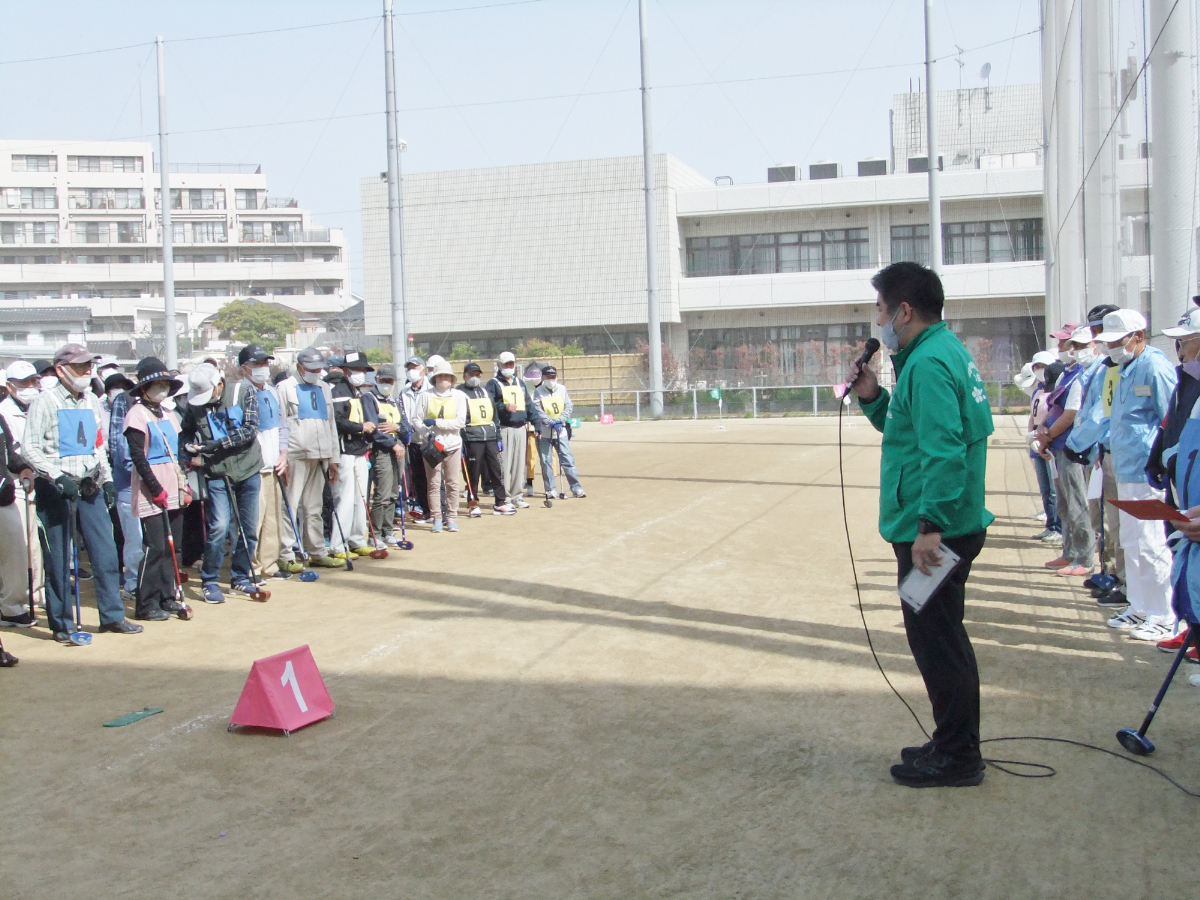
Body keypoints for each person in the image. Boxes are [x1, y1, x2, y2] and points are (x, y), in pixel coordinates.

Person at [849, 262, 994, 788]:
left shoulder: (929, 363)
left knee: (937, 641)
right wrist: (872, 396)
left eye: (882, 311)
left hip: (938, 530)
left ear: (904, 311)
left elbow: (944, 451)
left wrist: (928, 528)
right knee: (939, 635)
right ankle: (953, 741)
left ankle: (958, 756)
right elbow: (911, 429)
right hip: (946, 522)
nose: (879, 321)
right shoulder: (938, 353)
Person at [23, 343, 143, 640]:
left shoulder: (90, 400)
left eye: (89, 365)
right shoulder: (44, 401)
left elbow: (97, 445)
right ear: (61, 370)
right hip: (56, 488)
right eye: (80, 366)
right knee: (60, 558)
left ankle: (112, 615)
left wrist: (107, 479)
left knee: (105, 553)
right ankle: (62, 623)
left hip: (89, 485)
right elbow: (30, 448)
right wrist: (55, 475)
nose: (87, 371)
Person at [1096, 308, 1179, 641]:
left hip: (1147, 471)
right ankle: (1140, 605)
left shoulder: (1155, 367)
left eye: (1118, 341)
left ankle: (1164, 613)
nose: (1112, 348)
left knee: (1151, 543)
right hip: (1126, 467)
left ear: (1137, 337)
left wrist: (1162, 464)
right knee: (1131, 541)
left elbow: (1171, 417)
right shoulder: (1127, 368)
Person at [179, 362, 263, 604]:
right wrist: (187, 446)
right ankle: (210, 580)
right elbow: (185, 432)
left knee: (248, 529)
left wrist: (219, 443)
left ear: (220, 384)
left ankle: (240, 578)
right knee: (218, 527)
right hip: (216, 472)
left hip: (248, 469)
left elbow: (250, 429)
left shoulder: (243, 392)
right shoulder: (195, 406)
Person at [1065, 304, 1126, 606]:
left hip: (1120, 454)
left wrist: (1076, 442)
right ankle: (1111, 573)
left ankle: (1120, 579)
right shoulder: (1102, 368)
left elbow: (1102, 414)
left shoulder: (1119, 366)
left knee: (1120, 524)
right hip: (1099, 452)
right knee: (1102, 517)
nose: (1100, 335)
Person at [123, 358, 190, 622]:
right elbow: (138, 457)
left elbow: (178, 453)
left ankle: (167, 595)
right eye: (156, 384)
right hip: (152, 486)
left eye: (165, 384)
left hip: (173, 482)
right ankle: (146, 602)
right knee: (156, 546)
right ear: (144, 387)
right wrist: (154, 487)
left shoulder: (170, 414)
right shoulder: (136, 415)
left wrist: (183, 485)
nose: (161, 388)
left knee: (173, 545)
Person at [1037, 324, 1096, 577]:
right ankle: (1069, 551)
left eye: (1069, 344)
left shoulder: (1082, 375)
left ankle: (1085, 557)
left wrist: (1049, 434)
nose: (1064, 349)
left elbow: (1071, 414)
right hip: (1056, 446)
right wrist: (1043, 429)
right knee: (1063, 503)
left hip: (1071, 447)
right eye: (1064, 344)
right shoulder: (1064, 374)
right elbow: (1052, 406)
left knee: (1077, 502)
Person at [277, 348, 342, 568]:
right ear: (299, 367)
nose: (316, 373)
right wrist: (282, 455)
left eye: (319, 369)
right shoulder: (285, 388)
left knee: (314, 507)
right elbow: (280, 424)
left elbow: (331, 423)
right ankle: (286, 554)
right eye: (311, 369)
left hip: (321, 454)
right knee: (290, 505)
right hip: (296, 454)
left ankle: (317, 551)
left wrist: (334, 458)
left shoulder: (324, 387)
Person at [238, 344, 290, 579]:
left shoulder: (271, 391)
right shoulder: (240, 392)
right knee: (254, 520)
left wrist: (283, 454)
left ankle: (269, 564)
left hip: (274, 464)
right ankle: (250, 567)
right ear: (244, 368)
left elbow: (282, 426)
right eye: (257, 364)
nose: (263, 368)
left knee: (272, 518)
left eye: (265, 363)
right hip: (253, 468)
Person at [0, 359, 48, 612]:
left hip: (38, 482)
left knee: (35, 544)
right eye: (23, 383)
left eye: (33, 381)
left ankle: (36, 594)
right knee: (18, 549)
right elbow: (12, 453)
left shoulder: (39, 406)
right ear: (9, 386)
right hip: (14, 487)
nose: (30, 386)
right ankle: (15, 602)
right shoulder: (5, 413)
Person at [327, 350, 377, 558]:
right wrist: (360, 427)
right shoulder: (337, 390)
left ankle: (357, 539)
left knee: (361, 497)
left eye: (363, 370)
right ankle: (338, 545)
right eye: (357, 369)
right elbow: (337, 421)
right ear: (346, 370)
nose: (360, 373)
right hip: (344, 451)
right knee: (345, 499)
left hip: (360, 450)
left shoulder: (357, 391)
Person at [414, 358, 466, 533]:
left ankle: (451, 517)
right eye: (440, 376)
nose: (443, 379)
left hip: (453, 444)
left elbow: (459, 422)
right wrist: (425, 432)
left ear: (452, 379)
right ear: (434, 378)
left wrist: (437, 422)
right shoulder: (425, 395)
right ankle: (437, 517)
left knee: (452, 482)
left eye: (447, 376)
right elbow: (416, 419)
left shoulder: (459, 396)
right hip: (432, 445)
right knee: (434, 483)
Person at [487, 351, 543, 510]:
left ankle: (517, 495)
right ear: (499, 365)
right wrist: (503, 407)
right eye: (506, 364)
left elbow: (529, 404)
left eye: (511, 364)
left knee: (519, 464)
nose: (509, 367)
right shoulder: (493, 383)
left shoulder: (520, 383)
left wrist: (536, 423)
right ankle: (503, 496)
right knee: (504, 464)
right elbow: (490, 404)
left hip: (521, 428)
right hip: (504, 428)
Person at [458, 361, 513, 516]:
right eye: (471, 375)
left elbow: (494, 416)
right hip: (472, 438)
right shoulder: (459, 393)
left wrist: (497, 437)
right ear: (464, 376)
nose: (474, 377)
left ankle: (500, 502)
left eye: (477, 375)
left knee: (496, 470)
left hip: (489, 437)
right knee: (473, 472)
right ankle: (473, 503)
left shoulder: (485, 392)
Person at [366, 364, 409, 544]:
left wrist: (397, 427)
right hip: (382, 449)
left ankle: (388, 530)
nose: (386, 384)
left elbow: (406, 427)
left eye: (390, 381)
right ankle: (374, 534)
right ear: (377, 380)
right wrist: (392, 443)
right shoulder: (370, 398)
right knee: (382, 493)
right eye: (383, 381)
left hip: (397, 447)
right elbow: (374, 430)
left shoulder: (393, 400)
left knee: (393, 491)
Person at [0, 415, 36, 628]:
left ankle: (11, 609)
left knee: (15, 554)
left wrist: (23, 466)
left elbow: (9, 453)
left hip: (4, 496)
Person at [532, 365, 587, 499]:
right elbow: (538, 410)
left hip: (560, 431)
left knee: (567, 459)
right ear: (543, 378)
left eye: (553, 377)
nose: (551, 379)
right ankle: (550, 489)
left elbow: (568, 406)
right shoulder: (538, 391)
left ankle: (576, 488)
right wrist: (550, 421)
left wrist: (560, 420)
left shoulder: (562, 389)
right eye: (548, 377)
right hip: (544, 432)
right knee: (546, 461)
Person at [1023, 350, 1061, 543]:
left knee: (1054, 488)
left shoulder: (1057, 389)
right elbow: (1033, 415)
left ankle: (1057, 526)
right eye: (1036, 367)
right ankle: (1050, 525)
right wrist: (1031, 434)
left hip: (1049, 440)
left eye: (1043, 367)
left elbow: (1054, 414)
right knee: (1045, 488)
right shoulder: (1037, 391)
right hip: (1036, 439)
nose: (1039, 371)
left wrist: (1043, 435)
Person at [400, 355, 432, 522]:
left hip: (431, 439)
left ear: (423, 369)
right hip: (412, 440)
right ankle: (426, 510)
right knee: (418, 477)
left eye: (415, 367)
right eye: (409, 368)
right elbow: (402, 414)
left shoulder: (431, 388)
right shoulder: (403, 392)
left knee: (434, 477)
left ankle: (439, 511)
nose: (412, 371)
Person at [522, 360, 543, 498]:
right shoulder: (525, 387)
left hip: (546, 428)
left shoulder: (546, 388)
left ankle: (550, 485)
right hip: (529, 428)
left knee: (549, 458)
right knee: (530, 457)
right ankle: (529, 483)